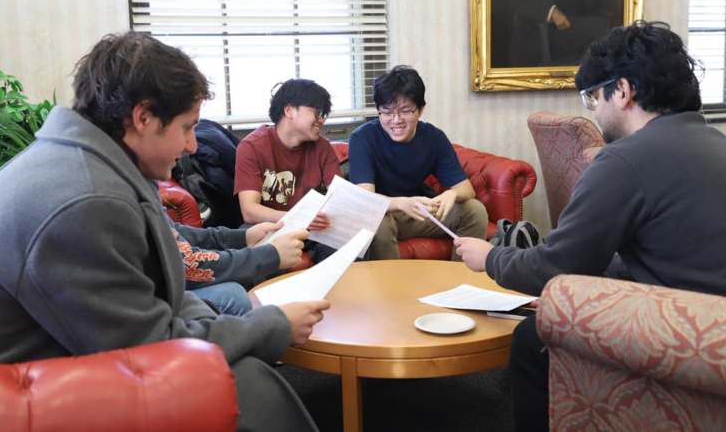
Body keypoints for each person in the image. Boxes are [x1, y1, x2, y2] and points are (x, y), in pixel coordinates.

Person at [0, 32, 328, 432]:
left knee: (241, 372)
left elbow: (163, 286)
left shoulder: (93, 166)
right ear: (143, 118)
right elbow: (150, 347)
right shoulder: (85, 198)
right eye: (187, 128)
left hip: (52, 362)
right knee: (238, 382)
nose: (193, 145)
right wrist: (274, 324)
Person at [455, 21, 726, 432]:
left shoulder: (624, 160)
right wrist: (575, 294)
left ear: (622, 91)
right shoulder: (720, 144)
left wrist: (491, 256)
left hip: (700, 340)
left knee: (533, 341)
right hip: (720, 316)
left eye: (593, 97)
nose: (594, 110)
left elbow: (555, 267)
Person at [348, 65, 488, 259]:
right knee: (378, 221)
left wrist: (451, 194)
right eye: (387, 112)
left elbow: (467, 189)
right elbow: (366, 201)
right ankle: (391, 288)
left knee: (474, 210)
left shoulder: (433, 137)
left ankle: (461, 280)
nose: (395, 120)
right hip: (383, 213)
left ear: (420, 110)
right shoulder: (362, 138)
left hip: (417, 212)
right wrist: (401, 203)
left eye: (405, 111)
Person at [234, 79, 341, 263]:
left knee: (344, 240)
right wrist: (301, 218)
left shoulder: (322, 147)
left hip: (313, 229)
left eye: (324, 114)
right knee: (247, 236)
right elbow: (250, 211)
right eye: (316, 112)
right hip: (271, 225)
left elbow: (341, 198)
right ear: (289, 110)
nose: (321, 120)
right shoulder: (252, 146)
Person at [170, 217, 303, 315]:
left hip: (171, 283)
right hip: (158, 301)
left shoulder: (150, 187)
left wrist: (243, 237)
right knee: (233, 296)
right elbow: (187, 265)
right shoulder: (148, 202)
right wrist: (270, 255)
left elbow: (177, 232)